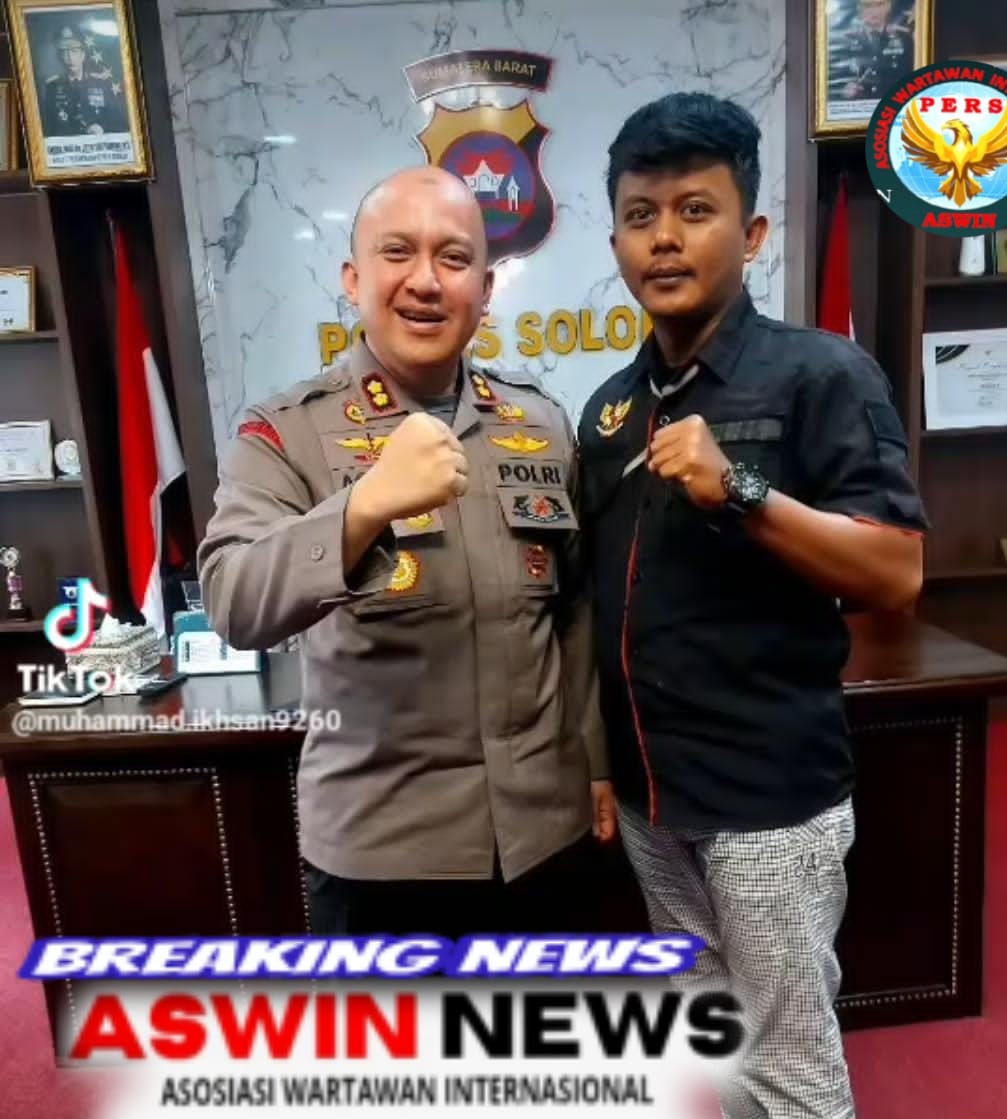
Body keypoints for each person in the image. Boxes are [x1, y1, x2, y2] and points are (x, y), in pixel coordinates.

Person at [578, 92, 928, 1119]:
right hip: (653, 798)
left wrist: (736, 487)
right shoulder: (609, 408)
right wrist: (600, 763)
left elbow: (894, 572)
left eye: (695, 210)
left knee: (786, 1067)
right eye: (640, 216)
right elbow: (603, 601)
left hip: (769, 802)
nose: (665, 238)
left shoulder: (820, 374)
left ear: (753, 232)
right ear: (615, 240)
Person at [198, 165, 615, 936]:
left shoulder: (539, 421)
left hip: (543, 842)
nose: (425, 280)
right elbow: (232, 599)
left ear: (484, 290)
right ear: (353, 278)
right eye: (397, 252)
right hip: (382, 859)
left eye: (453, 258)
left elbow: (573, 611)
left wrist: (594, 763)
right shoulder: (286, 431)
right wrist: (361, 509)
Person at [41, 26, 127, 137]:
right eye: (65, 53)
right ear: (60, 57)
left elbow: (118, 120)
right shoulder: (52, 87)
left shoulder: (100, 83)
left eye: (74, 52)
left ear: (83, 55)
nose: (70, 58)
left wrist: (102, 127)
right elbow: (48, 125)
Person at [837, 0, 914, 101]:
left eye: (880, 5)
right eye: (867, 6)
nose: (874, 11)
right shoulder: (845, 41)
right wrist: (843, 90)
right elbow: (834, 81)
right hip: (856, 106)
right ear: (859, 9)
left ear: (889, 7)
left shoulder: (904, 38)